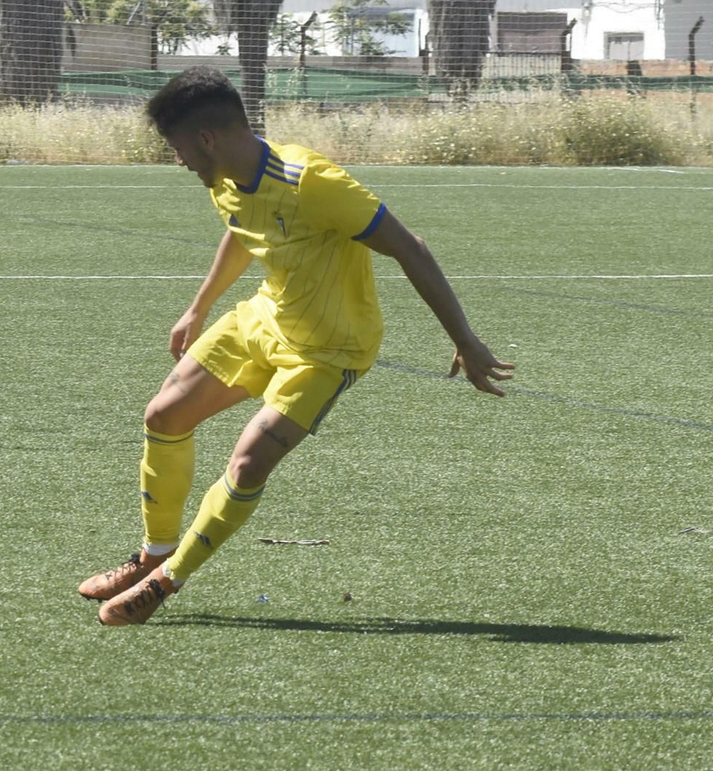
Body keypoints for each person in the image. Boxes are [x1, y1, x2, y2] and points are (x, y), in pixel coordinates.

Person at [80, 68, 513, 625]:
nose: (180, 161)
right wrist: (199, 306)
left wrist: (465, 340)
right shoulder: (228, 181)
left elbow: (411, 247)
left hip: (329, 349)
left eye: (178, 148)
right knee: (163, 416)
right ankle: (152, 554)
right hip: (265, 320)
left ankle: (166, 582)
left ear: (207, 139)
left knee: (248, 462)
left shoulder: (313, 182)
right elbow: (242, 230)